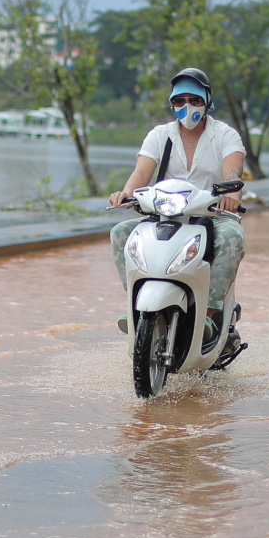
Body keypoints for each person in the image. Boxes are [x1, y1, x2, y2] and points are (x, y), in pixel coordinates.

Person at [108, 67, 247, 351]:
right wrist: (125, 193)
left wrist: (232, 193)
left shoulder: (225, 135)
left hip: (212, 215)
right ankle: (137, 305)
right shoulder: (160, 135)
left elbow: (233, 172)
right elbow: (140, 174)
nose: (187, 107)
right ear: (172, 104)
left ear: (207, 102)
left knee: (233, 237)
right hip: (166, 214)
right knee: (121, 233)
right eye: (180, 101)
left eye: (195, 100)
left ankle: (209, 314)